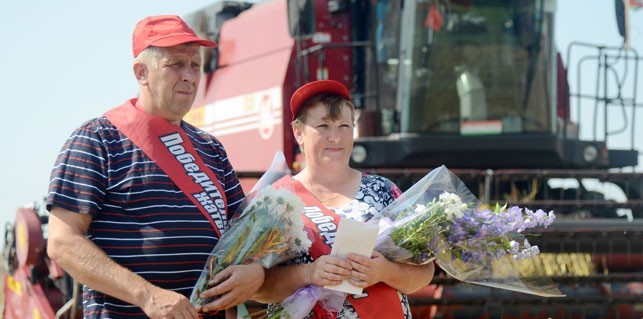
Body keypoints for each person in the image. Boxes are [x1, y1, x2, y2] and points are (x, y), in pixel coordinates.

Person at [46, 15, 264, 319]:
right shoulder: (97, 139)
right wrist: (147, 296)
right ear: (141, 72)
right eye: (176, 64)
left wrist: (256, 273)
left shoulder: (211, 148)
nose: (189, 75)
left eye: (195, 65)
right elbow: (62, 242)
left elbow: (245, 238)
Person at [255, 80, 435, 318]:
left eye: (343, 126)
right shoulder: (277, 201)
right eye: (323, 126)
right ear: (298, 132)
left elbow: (424, 271)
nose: (335, 137)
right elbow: (257, 288)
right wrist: (308, 273)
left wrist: (384, 271)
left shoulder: (384, 192)